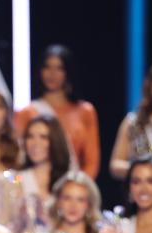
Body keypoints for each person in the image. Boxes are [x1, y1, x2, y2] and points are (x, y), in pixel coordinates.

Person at [13, 45, 100, 178]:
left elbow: (92, 163)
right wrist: (22, 185)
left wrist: (76, 186)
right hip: (35, 186)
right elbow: (17, 160)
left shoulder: (86, 111)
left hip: (73, 185)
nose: (52, 74)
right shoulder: (26, 113)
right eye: (47, 67)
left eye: (59, 68)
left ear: (68, 72)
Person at [109, 61, 152, 180]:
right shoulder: (133, 122)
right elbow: (115, 165)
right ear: (150, 83)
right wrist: (144, 171)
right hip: (142, 188)